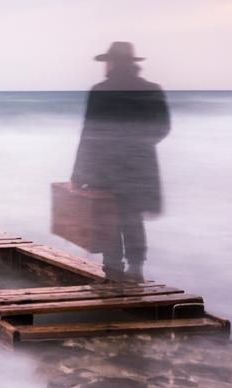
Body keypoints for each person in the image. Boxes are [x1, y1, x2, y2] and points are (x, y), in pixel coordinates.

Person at [70, 41, 170, 282]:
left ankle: (113, 270)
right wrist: (138, 145)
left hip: (106, 167)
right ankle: (136, 268)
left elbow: (89, 133)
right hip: (140, 167)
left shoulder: (100, 91)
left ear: (112, 63)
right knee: (132, 218)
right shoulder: (151, 89)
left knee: (108, 218)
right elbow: (162, 127)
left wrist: (79, 174)